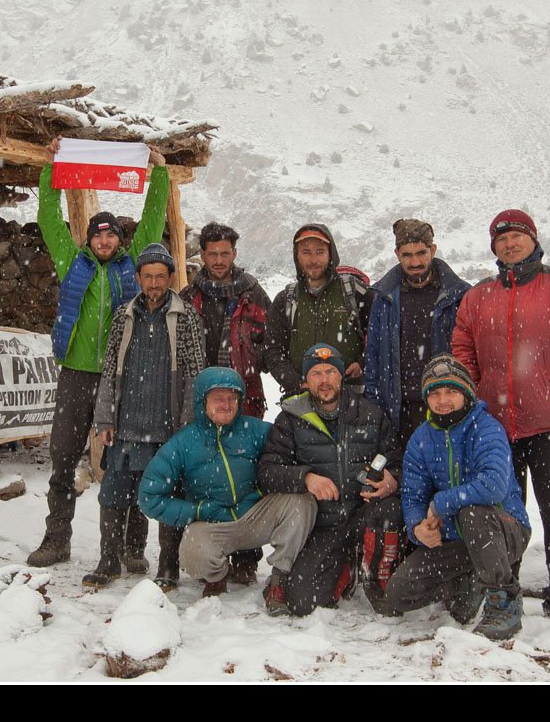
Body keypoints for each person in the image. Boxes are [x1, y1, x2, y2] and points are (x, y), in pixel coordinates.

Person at [452, 209, 550, 629]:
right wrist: (476, 392)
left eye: (516, 237)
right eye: (501, 239)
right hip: (496, 426)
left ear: (533, 239)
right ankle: (506, 588)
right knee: (504, 509)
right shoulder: (478, 296)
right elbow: (462, 349)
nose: (509, 244)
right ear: (494, 248)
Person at [26, 135, 170, 569]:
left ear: (120, 239)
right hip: (76, 373)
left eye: (110, 234)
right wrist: (51, 168)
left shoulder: (133, 264)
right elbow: (49, 218)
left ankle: (130, 547)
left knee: (131, 461)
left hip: (124, 376)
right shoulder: (73, 262)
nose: (104, 239)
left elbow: (153, 217)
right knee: (62, 458)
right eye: (97, 234)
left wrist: (158, 171)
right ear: (87, 239)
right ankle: (56, 539)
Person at [137, 366, 317, 615]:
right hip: (213, 523)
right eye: (218, 398)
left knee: (302, 503)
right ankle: (217, 575)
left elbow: (290, 456)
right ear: (203, 401)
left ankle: (279, 578)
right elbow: (148, 497)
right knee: (192, 549)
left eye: (232, 398)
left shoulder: (257, 431)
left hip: (255, 516)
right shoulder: (183, 442)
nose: (226, 404)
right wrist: (197, 510)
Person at [382, 355, 531, 641]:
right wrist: (417, 528)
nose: (443, 400)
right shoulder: (421, 438)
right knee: (398, 593)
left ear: (466, 394)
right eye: (435, 394)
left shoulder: (486, 428)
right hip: (455, 541)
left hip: (504, 531)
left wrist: (441, 503)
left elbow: (494, 485)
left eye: (451, 391)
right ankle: (470, 583)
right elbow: (413, 494)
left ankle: (504, 601)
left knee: (472, 512)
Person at [83, 243, 205, 591]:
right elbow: (109, 370)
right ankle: (109, 559)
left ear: (171, 278)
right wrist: (105, 418)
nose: (154, 283)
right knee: (113, 495)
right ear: (138, 278)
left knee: (168, 498)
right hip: (127, 426)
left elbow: (195, 374)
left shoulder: (185, 316)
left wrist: (187, 427)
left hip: (167, 429)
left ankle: (168, 564)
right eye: (148, 276)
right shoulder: (124, 315)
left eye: (160, 276)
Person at [258, 343, 404, 616]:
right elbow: (267, 472)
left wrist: (392, 481)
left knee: (390, 510)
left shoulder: (371, 414)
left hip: (364, 515)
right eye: (316, 373)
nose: (324, 380)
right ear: (305, 380)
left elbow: (397, 462)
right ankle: (346, 566)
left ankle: (377, 577)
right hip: (323, 525)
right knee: (303, 602)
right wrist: (306, 478)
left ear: (341, 376)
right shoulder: (291, 419)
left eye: (330, 372)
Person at [178, 222, 275, 585]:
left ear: (234, 253)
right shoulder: (189, 297)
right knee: (205, 476)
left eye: (225, 253)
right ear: (201, 255)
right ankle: (210, 557)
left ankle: (247, 560)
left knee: (246, 476)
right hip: (200, 403)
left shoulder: (254, 295)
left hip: (246, 401)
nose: (218, 260)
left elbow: (271, 343)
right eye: (212, 253)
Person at [364, 218, 471, 451]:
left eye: (421, 253)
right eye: (407, 255)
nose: (415, 262)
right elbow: (373, 357)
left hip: (445, 405)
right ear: (396, 254)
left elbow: (469, 355)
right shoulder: (383, 298)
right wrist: (374, 406)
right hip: (396, 410)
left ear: (433, 250)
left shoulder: (458, 296)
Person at [264, 224, 375, 396]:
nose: (313, 260)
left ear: (331, 254)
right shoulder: (285, 300)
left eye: (320, 252)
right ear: (297, 256)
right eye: (306, 252)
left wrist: (362, 363)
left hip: (350, 395)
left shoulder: (354, 292)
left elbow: (381, 334)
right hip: (300, 400)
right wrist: (297, 383)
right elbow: (273, 351)